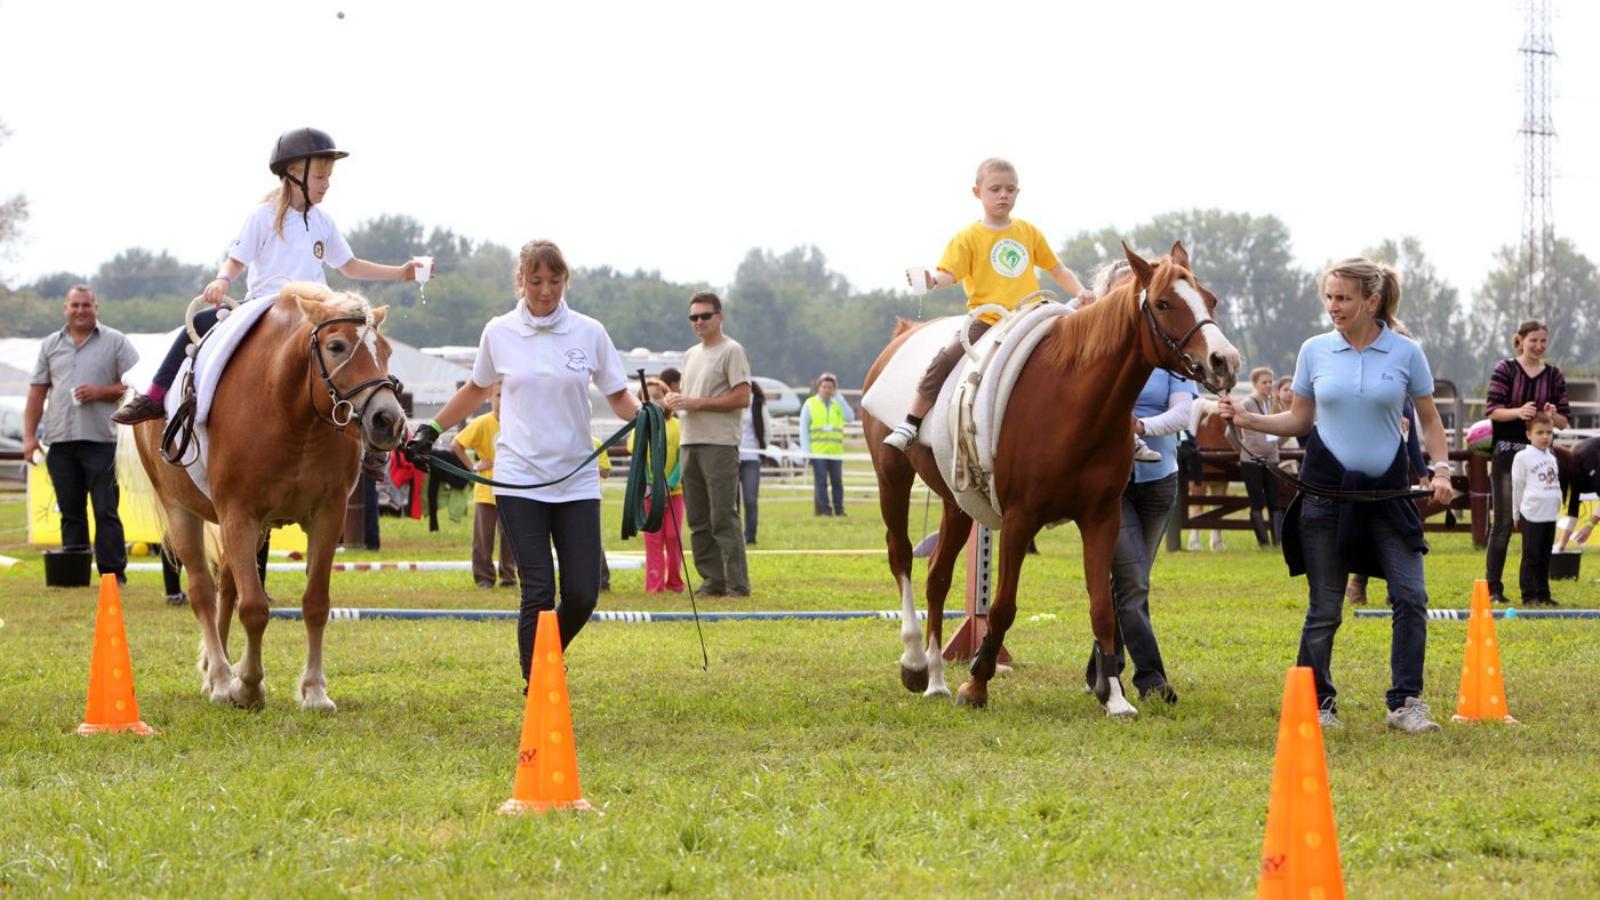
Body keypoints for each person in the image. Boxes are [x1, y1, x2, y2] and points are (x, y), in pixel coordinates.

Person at [1220, 257, 1454, 734]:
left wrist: (1442, 469)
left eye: (1343, 298)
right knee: (1324, 608)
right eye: (1328, 297)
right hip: (1325, 497)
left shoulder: (1406, 353)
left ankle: (1406, 702)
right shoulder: (1315, 351)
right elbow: (1299, 421)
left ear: (1372, 300)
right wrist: (1249, 421)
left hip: (1389, 497)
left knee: (1411, 595)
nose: (1333, 307)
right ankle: (1317, 703)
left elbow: (1429, 419)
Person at [112, 128, 422, 478]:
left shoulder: (323, 221)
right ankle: (155, 396)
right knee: (199, 323)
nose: (326, 184)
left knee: (364, 346)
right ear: (293, 174)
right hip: (265, 304)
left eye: (328, 177)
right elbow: (235, 260)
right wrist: (221, 280)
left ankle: (382, 436)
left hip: (315, 309)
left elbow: (348, 265)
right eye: (320, 176)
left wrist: (401, 274)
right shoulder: (262, 217)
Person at [401, 240, 640, 684]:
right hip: (518, 480)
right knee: (538, 590)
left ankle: (546, 654)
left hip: (576, 481)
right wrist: (432, 429)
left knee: (584, 593)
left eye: (554, 280)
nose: (545, 291)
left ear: (565, 280)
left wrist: (645, 415)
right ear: (521, 281)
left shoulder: (589, 331)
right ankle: (537, 681)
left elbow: (619, 397)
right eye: (536, 281)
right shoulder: (499, 331)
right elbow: (475, 388)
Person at [884, 159, 1157, 461]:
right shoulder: (967, 238)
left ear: (1018, 193)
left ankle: (1127, 434)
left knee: (1092, 360)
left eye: (1010, 190)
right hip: (988, 321)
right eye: (995, 189)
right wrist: (932, 281)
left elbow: (1057, 268)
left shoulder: (1028, 232)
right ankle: (911, 422)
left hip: (1033, 317)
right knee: (946, 357)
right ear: (978, 192)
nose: (1003, 195)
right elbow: (949, 274)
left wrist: (1080, 291)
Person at [1079, 259, 1196, 704]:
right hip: (1112, 485)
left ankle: (1100, 670)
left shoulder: (1168, 354)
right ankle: (1151, 679)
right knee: (1133, 585)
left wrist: (1141, 428)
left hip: (1160, 478)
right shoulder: (1097, 355)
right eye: (1123, 287)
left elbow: (1185, 412)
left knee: (1131, 582)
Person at [23, 285, 139, 584]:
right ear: (65, 308)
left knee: (105, 510)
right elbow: (37, 391)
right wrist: (28, 437)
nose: (80, 310)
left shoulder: (116, 342)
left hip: (102, 441)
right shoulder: (50, 344)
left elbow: (137, 384)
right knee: (71, 511)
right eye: (75, 305)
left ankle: (113, 574)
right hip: (60, 442)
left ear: (96, 308)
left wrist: (101, 392)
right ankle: (72, 573)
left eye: (86, 305)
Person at [663, 291, 752, 597]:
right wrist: (674, 401)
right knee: (698, 518)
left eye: (705, 316)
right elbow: (691, 399)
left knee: (722, 516)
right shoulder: (690, 355)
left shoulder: (732, 351)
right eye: (694, 317)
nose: (699, 322)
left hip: (720, 444)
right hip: (690, 442)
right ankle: (712, 581)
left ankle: (736, 584)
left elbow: (742, 397)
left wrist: (695, 402)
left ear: (719, 317)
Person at [1481, 320, 1570, 604]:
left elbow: (1564, 422)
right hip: (1508, 454)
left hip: (1541, 458)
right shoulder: (1505, 369)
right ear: (1520, 340)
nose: (1539, 346)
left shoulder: (1554, 375)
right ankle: (1493, 588)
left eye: (1544, 341)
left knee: (1541, 526)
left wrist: (1552, 415)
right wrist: (1519, 411)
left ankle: (1538, 591)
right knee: (1505, 522)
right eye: (1534, 340)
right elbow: (1492, 411)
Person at [451, 381, 517, 589]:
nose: (503, 401)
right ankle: (484, 578)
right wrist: (473, 467)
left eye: (507, 396)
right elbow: (457, 444)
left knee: (510, 536)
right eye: (498, 396)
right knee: (483, 538)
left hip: (512, 488)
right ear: (490, 397)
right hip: (486, 489)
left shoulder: (518, 423)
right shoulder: (482, 423)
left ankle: (509, 576)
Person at [633, 378, 685, 592]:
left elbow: (683, 458)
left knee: (673, 537)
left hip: (674, 493)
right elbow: (639, 458)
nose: (652, 401)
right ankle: (654, 584)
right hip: (649, 494)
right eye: (646, 398)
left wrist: (669, 484)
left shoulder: (677, 426)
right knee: (653, 539)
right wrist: (650, 485)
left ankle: (674, 580)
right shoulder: (640, 428)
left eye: (657, 397)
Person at [1511, 413, 1562, 607]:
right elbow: (1518, 486)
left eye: (1549, 432)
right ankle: (1529, 595)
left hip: (1550, 515)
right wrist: (1516, 513)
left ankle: (1544, 594)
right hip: (1532, 514)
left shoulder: (1552, 457)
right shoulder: (1522, 457)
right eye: (1539, 432)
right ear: (1528, 434)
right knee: (1531, 557)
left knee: (1544, 557)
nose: (1545, 437)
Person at [1236, 366, 1282, 547]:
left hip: (1272, 458)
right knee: (1256, 501)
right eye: (1265, 382)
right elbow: (1229, 431)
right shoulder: (1246, 404)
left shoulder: (1274, 404)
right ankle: (1263, 542)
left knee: (1274, 500)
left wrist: (1276, 445)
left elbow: (1284, 429)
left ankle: (1277, 541)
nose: (1269, 385)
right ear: (1255, 384)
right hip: (1251, 460)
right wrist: (1244, 448)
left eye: (1271, 382)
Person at [801, 372, 853, 517]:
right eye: (824, 387)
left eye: (830, 387)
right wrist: (806, 452)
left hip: (835, 452)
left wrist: (840, 399)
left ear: (835, 389)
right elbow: (803, 428)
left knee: (837, 483)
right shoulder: (810, 404)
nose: (827, 390)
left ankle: (839, 510)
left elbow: (850, 417)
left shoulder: (838, 404)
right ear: (819, 387)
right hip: (818, 452)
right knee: (821, 482)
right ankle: (825, 511)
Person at [738, 381, 773, 544]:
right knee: (731, 501)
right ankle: (734, 535)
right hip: (731, 457)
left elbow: (766, 429)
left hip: (752, 456)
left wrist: (762, 450)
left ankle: (750, 536)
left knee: (750, 500)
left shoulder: (758, 403)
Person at [1555, 436, 1600, 552]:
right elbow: (1573, 512)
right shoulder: (1574, 474)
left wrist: (1589, 525)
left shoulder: (1587, 461)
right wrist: (1561, 545)